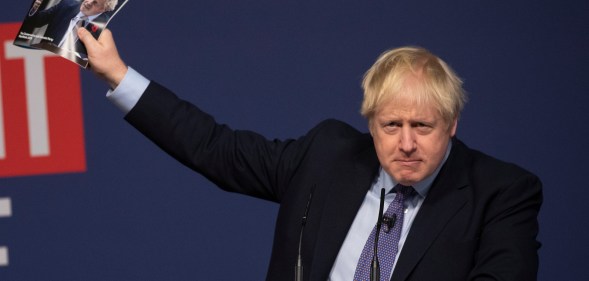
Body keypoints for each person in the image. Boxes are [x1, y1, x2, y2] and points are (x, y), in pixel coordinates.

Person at [78, 28, 542, 281]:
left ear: (452, 124)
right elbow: (214, 148)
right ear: (369, 121)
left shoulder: (500, 193)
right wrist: (119, 76)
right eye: (391, 126)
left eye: (422, 127)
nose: (405, 144)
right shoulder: (328, 156)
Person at [25, 0, 118, 54]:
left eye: (95, 2)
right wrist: (34, 9)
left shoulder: (104, 29)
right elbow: (36, 21)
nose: (88, 2)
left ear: (104, 9)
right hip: (44, 57)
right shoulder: (66, 5)